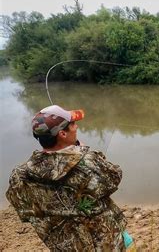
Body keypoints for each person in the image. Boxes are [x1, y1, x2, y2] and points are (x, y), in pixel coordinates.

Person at [6, 105, 134, 251]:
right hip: (107, 245)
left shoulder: (19, 175)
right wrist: (82, 152)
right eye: (72, 124)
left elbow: (24, 211)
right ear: (62, 134)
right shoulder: (87, 163)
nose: (76, 126)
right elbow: (114, 177)